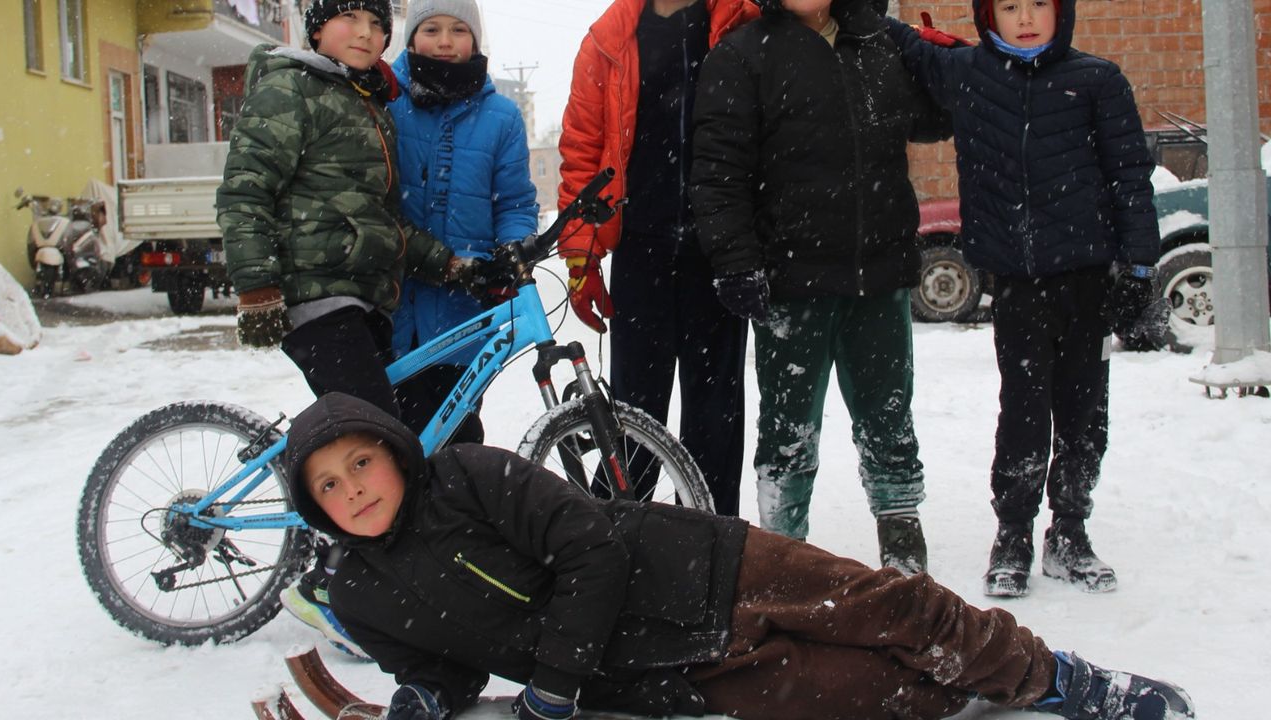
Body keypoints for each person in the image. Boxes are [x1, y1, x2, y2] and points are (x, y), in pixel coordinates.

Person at [282, 391, 1195, 720]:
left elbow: (592, 548)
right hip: (658, 666)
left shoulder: (469, 476)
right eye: (329, 486)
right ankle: (967, 689)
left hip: (703, 568)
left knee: (894, 609)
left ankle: (1060, 680)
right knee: (881, 698)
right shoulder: (359, 593)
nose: (354, 490)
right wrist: (418, 697)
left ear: (392, 452)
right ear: (313, 507)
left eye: (361, 463)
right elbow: (437, 670)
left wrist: (553, 682)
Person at [215, 0, 477, 656]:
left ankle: (380, 567)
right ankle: (329, 585)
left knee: (397, 427)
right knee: (371, 443)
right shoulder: (290, 88)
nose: (366, 34)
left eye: (376, 23)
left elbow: (381, 225)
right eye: (349, 19)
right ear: (316, 28)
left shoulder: (364, 102)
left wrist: (450, 264)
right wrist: (257, 290)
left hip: (360, 301)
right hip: (313, 298)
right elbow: (245, 191)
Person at [884, 0, 1161, 597]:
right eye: (1010, 6)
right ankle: (1012, 532)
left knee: (1085, 415)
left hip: (1088, 282)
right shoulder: (969, 75)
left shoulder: (1097, 81)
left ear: (1062, 12)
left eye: (1039, 4)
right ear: (989, 16)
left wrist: (1139, 269)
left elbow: (1130, 177)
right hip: (1016, 286)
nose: (1026, 17)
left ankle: (1069, 531)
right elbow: (902, 43)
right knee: (1023, 413)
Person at [688, 0, 950, 573]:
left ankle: (902, 540)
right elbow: (716, 171)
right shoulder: (742, 54)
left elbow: (937, 115)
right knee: (788, 428)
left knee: (889, 416)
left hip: (879, 272)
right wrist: (735, 260)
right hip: (793, 282)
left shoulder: (880, 43)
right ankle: (783, 559)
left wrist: (939, 57)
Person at [556, 0, 761, 516]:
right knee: (632, 409)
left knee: (715, 409)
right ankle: (621, 532)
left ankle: (712, 535)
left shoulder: (740, 22)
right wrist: (582, 254)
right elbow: (583, 148)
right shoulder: (608, 38)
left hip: (718, 249)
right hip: (640, 249)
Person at [388, 0, 539, 447]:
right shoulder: (385, 99)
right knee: (387, 441)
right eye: (431, 29)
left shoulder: (502, 118)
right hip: (391, 302)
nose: (445, 42)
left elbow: (513, 201)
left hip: (463, 307)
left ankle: (456, 517)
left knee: (456, 438)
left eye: (458, 30)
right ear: (412, 36)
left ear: (474, 39)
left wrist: (515, 247)